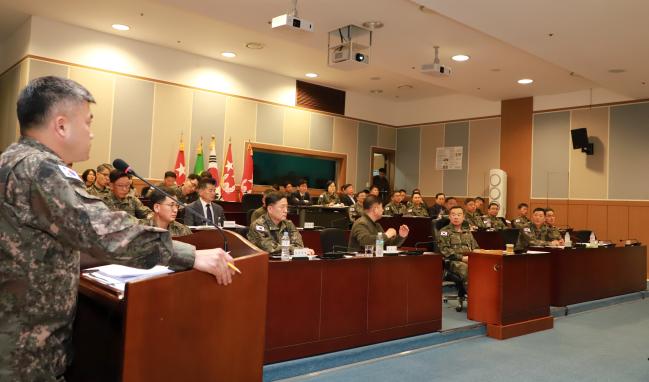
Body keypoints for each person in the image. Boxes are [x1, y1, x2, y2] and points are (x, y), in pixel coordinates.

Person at [0, 76, 234, 381]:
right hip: (25, 347)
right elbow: (104, 231)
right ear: (60, 125)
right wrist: (190, 256)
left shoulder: (12, 160)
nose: (92, 133)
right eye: (87, 122)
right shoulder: (41, 170)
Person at [247, 192, 314, 255]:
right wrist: (293, 249)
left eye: (286, 207)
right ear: (270, 209)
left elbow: (299, 245)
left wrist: (292, 249)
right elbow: (270, 248)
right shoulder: (258, 225)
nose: (286, 211)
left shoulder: (288, 224)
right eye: (282, 207)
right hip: (264, 264)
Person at [437, 206, 479, 287]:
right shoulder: (444, 232)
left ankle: (482, 293)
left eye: (459, 215)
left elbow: (476, 247)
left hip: (470, 259)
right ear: (449, 216)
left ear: (463, 217)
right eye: (453, 214)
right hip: (453, 261)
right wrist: (462, 258)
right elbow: (445, 250)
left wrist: (478, 256)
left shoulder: (467, 231)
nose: (456, 217)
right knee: (466, 269)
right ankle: (471, 295)